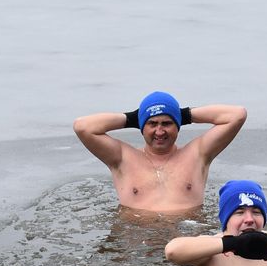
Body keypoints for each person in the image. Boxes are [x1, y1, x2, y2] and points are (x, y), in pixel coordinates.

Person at [73, 90, 247, 212]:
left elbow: (237, 115)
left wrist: (183, 115)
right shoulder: (122, 158)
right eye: (152, 124)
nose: (160, 132)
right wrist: (135, 118)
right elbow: (83, 127)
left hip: (186, 240)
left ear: (178, 126)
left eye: (167, 123)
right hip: (136, 238)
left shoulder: (198, 154)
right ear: (142, 126)